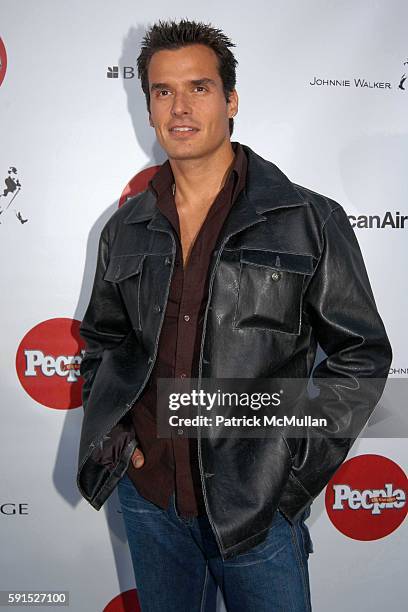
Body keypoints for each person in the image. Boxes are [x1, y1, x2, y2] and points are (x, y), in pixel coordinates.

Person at [76, 19, 392, 612]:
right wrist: (119, 439)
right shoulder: (124, 228)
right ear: (147, 106)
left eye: (198, 87)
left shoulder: (309, 218)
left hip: (258, 514)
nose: (179, 107)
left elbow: (362, 356)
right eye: (162, 91)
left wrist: (290, 479)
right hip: (151, 503)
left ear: (231, 99)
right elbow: (103, 340)